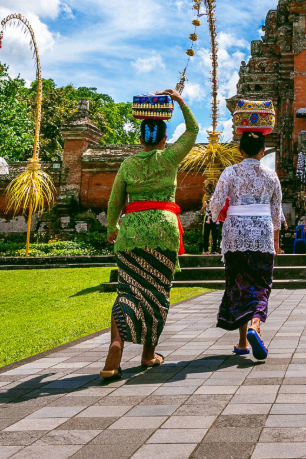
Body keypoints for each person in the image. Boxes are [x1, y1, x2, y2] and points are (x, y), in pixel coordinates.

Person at [101, 89, 197, 377]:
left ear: (141, 138)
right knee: (157, 294)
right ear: (164, 138)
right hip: (164, 232)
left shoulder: (128, 164)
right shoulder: (170, 158)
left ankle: (116, 346)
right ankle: (147, 354)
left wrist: (111, 228)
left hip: (130, 233)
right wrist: (180, 101)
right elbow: (193, 130)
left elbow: (115, 201)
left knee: (127, 290)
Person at [208, 100, 282, 360]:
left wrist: (218, 219)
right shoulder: (271, 175)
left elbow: (215, 204)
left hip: (235, 235)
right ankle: (255, 326)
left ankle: (242, 343)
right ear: (263, 151)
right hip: (262, 234)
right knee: (261, 284)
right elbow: (276, 213)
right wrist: (275, 242)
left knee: (238, 285)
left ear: (240, 151)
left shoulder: (230, 171)